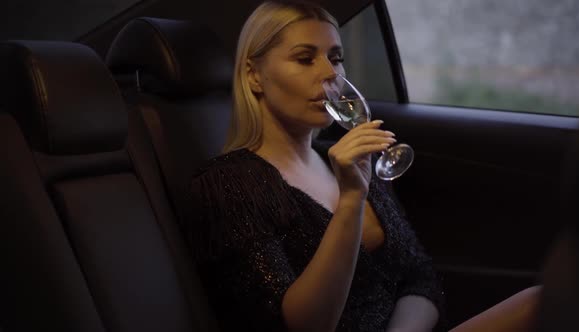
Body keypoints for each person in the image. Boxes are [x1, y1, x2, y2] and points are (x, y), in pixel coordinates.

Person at [184, 1, 539, 331]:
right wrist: (351, 200)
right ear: (254, 76)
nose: (329, 74)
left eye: (335, 58)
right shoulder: (228, 185)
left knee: (544, 300)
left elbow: (420, 277)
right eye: (305, 58)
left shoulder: (344, 159)